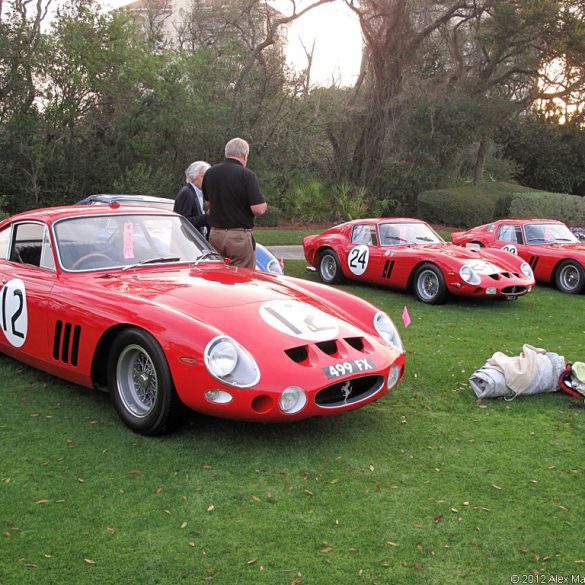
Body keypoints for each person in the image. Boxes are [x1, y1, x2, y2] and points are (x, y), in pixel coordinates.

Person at [202, 137, 267, 268]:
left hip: (215, 235)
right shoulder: (247, 175)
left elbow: (208, 201)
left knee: (217, 274)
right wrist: (264, 205)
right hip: (238, 237)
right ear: (245, 155)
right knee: (243, 277)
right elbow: (257, 209)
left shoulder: (210, 173)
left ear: (227, 153)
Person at [174, 161, 211, 237]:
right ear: (193, 177)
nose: (207, 180)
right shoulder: (187, 193)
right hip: (187, 243)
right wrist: (207, 217)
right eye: (204, 177)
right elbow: (183, 221)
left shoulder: (199, 193)